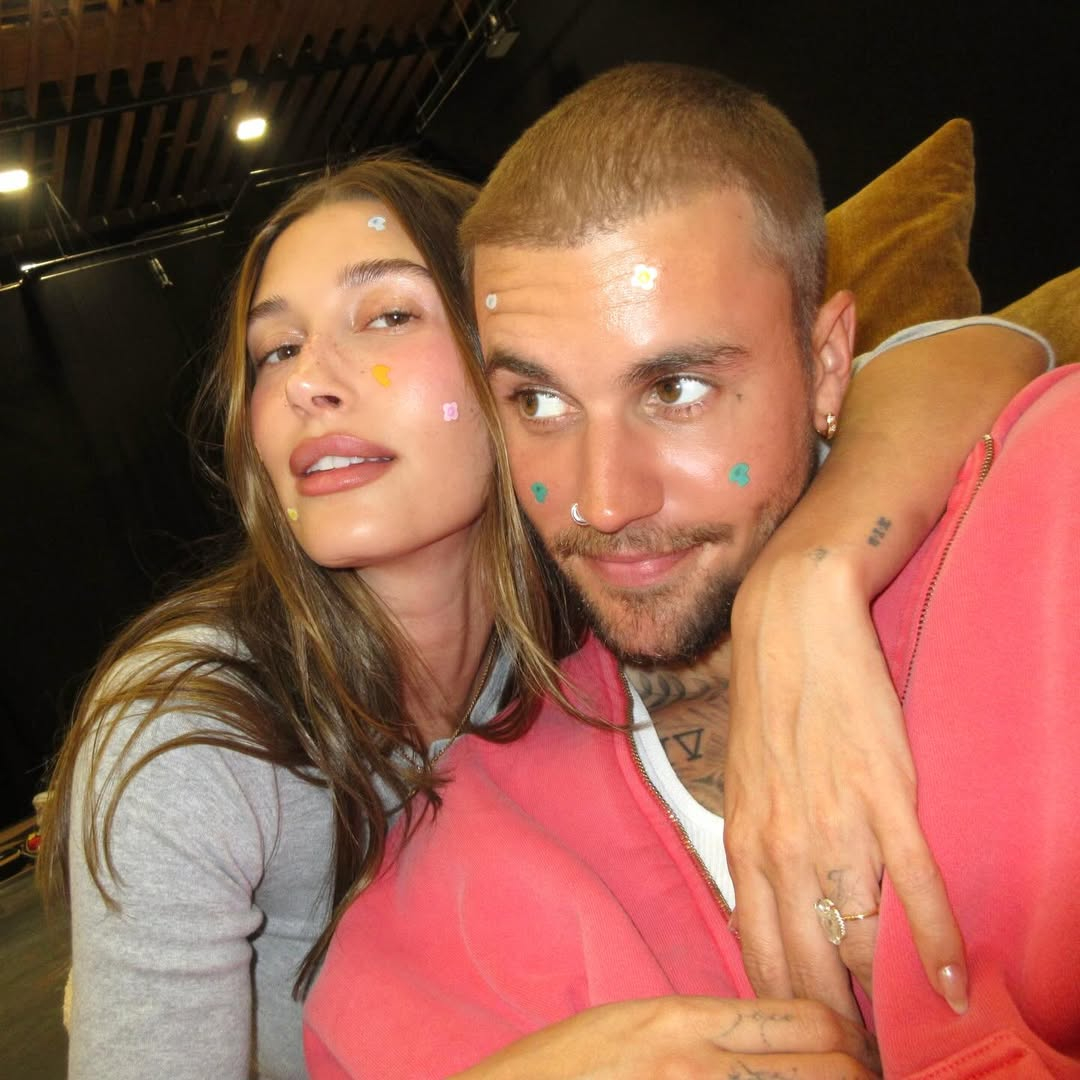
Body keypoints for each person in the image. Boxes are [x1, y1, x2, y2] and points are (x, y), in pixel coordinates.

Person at [303, 65, 1078, 1077]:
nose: (603, 501)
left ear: (828, 364)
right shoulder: (460, 856)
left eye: (674, 388)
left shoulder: (1048, 543)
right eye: (539, 403)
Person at [37, 158, 576, 1080]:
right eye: (276, 350)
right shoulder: (191, 736)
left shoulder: (589, 618)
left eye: (389, 316)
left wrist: (818, 558)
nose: (305, 384)